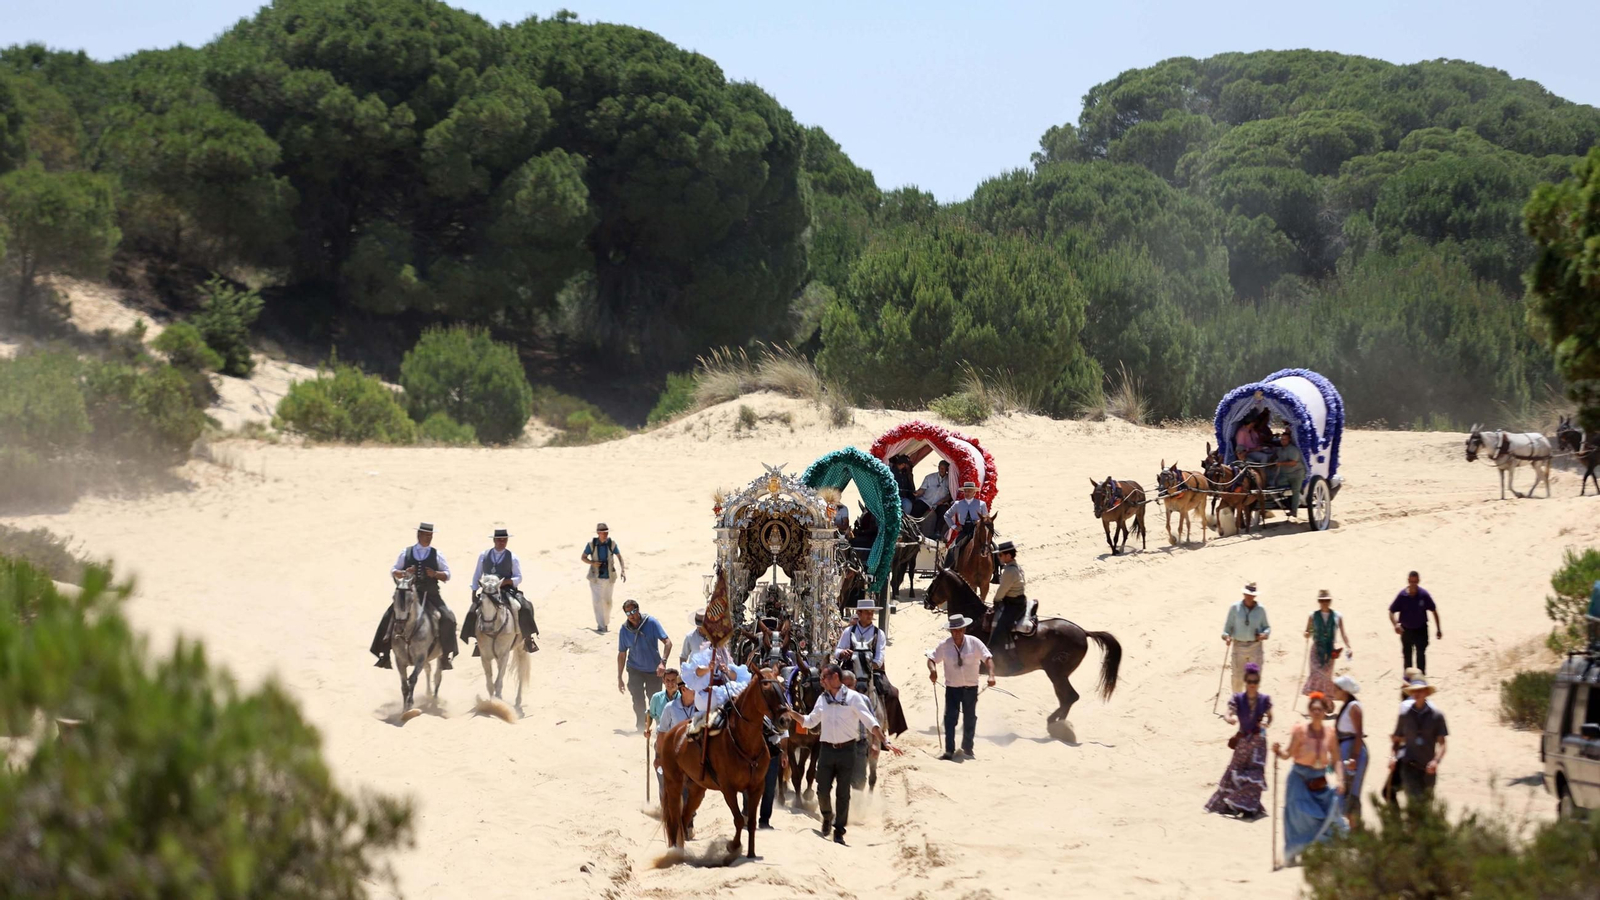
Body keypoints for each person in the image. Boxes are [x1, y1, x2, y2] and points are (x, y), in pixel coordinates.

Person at [798, 664, 901, 844]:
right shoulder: (822, 699)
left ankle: (839, 829)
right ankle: (827, 815)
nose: (821, 681)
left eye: (824, 677)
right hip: (827, 750)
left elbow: (870, 721)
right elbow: (809, 721)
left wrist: (884, 741)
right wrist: (792, 714)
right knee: (822, 789)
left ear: (835, 678)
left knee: (843, 792)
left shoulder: (855, 698)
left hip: (848, 750)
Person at [1272, 692, 1348, 864]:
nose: (1316, 712)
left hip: (1319, 779)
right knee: (1297, 817)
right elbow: (1288, 754)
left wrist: (1341, 780)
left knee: (1324, 814)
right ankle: (1292, 852)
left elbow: (1336, 759)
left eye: (1320, 709)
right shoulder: (1300, 731)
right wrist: (1278, 752)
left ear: (1324, 711)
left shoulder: (1330, 733)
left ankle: (1319, 849)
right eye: (1313, 709)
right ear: (1309, 710)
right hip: (1299, 779)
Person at [372, 522, 458, 670]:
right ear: (418, 535)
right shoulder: (406, 552)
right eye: (426, 535)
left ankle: (445, 655)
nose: (429, 538)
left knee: (448, 617)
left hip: (430, 594)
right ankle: (384, 654)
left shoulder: (437, 554)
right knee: (388, 616)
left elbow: (447, 574)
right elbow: (394, 570)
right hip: (408, 593)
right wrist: (404, 573)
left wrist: (435, 574)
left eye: (430, 535)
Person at [1205, 662, 1273, 818]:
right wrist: (1229, 718)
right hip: (1243, 740)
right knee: (1236, 770)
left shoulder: (1264, 700)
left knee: (1256, 773)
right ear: (1245, 682)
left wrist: (1266, 723)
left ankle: (1248, 806)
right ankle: (1232, 802)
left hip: (1259, 743)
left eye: (1255, 682)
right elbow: (1229, 712)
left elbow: (1270, 716)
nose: (1252, 685)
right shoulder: (1238, 698)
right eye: (1249, 681)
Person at [835, 599, 909, 736]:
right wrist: (842, 653)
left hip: (872, 671)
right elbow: (837, 650)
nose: (870, 615)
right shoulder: (848, 631)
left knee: (892, 693)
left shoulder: (878, 633)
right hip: (850, 669)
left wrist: (871, 664)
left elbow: (880, 656)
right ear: (859, 613)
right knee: (833, 690)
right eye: (867, 612)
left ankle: (887, 727)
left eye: (871, 612)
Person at [927, 613, 995, 761]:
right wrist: (933, 670)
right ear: (950, 631)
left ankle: (968, 748)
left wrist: (991, 675)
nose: (957, 633)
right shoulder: (944, 645)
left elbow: (987, 658)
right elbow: (931, 658)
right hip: (952, 688)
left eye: (960, 629)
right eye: (954, 630)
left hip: (971, 687)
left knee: (970, 718)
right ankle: (949, 750)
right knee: (950, 719)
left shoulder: (974, 642)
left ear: (964, 629)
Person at [461, 528, 539, 655]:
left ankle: (527, 638)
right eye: (499, 540)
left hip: (506, 590)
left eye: (504, 540)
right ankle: (477, 641)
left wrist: (507, 581)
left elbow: (518, 577)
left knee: (522, 606)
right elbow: (477, 574)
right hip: (488, 590)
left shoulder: (512, 557)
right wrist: (474, 590)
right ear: (494, 540)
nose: (502, 542)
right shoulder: (483, 555)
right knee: (473, 611)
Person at [616, 599, 671, 732]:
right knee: (637, 699)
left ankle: (659, 726)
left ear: (638, 610)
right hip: (634, 669)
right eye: (628, 613)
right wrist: (619, 677)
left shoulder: (651, 622)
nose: (631, 615)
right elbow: (622, 654)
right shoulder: (624, 630)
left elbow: (668, 642)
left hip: (654, 670)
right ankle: (641, 726)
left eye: (633, 611)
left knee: (655, 699)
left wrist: (663, 663)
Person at [1390, 679, 1448, 802]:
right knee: (1414, 805)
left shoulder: (1437, 716)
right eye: (1414, 691)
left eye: (1420, 690)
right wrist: (1393, 757)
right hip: (1409, 766)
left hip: (1428, 769)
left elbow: (1442, 744)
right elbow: (1396, 739)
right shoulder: (1404, 715)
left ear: (1426, 693)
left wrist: (1436, 761)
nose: (1417, 693)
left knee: (1426, 807)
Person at [1388, 571, 1442, 674]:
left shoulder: (1424, 595)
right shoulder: (1402, 596)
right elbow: (1391, 611)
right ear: (1408, 581)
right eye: (1411, 581)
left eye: (1415, 582)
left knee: (1420, 656)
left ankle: (1421, 682)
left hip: (1421, 630)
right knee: (1407, 658)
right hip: (1406, 631)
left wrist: (1438, 629)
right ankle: (1408, 683)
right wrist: (1395, 625)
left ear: (1418, 581)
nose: (1413, 584)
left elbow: (1434, 611)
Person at [1221, 583, 1271, 693]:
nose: (1249, 597)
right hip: (1238, 647)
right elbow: (1227, 629)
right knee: (1237, 678)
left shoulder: (1261, 610)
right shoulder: (1235, 608)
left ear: (1255, 596)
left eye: (1252, 595)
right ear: (1244, 594)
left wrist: (1264, 635)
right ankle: (1238, 702)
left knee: (1254, 678)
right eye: (1247, 594)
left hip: (1255, 646)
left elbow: (1267, 627)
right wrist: (1227, 637)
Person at [1333, 675, 1368, 830]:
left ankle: (1356, 828)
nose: (1334, 692)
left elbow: (1358, 733)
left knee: (1351, 791)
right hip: (1345, 749)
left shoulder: (1354, 707)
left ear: (1344, 691)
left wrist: (1354, 757)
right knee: (1345, 789)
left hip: (1353, 751)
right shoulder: (1347, 706)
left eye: (1336, 689)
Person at [756, 667, 789, 830]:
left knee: (769, 787)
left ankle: (764, 820)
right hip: (754, 749)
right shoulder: (754, 704)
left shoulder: (779, 704)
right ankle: (747, 814)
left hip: (772, 748)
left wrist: (784, 752)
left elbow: (784, 731)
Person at [1302, 589, 1352, 696]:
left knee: (1326, 676)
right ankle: (1315, 700)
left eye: (1327, 600)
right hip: (1316, 649)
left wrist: (1348, 647)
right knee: (1315, 674)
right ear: (1319, 602)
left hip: (1330, 650)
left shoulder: (1337, 616)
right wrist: (1306, 634)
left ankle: (1325, 701)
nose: (1324, 603)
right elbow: (1308, 631)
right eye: (1322, 601)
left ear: (1330, 601)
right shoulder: (1312, 616)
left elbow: (1343, 633)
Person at [581, 523, 625, 632]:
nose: (605, 535)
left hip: (609, 577)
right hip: (595, 577)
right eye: (603, 533)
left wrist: (623, 570)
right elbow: (583, 557)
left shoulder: (611, 544)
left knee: (607, 601)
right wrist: (593, 563)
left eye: (606, 532)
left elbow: (619, 556)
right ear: (598, 533)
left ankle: (606, 622)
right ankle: (601, 626)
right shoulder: (591, 544)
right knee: (597, 601)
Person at [990, 541, 1027, 651]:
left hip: (1013, 605)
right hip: (1018, 601)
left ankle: (1004, 656)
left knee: (1000, 628)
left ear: (1008, 556)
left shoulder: (1009, 571)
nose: (999, 557)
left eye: (1000, 555)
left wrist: (996, 600)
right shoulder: (1015, 567)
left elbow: (1002, 590)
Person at [943, 481, 988, 565]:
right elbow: (947, 515)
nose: (967, 493)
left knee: (992, 546)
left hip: (977, 530)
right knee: (952, 548)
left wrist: (979, 521)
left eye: (970, 491)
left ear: (974, 493)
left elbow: (986, 519)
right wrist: (954, 527)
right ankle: (949, 568)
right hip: (964, 530)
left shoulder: (981, 504)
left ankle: (997, 570)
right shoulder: (958, 504)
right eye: (966, 491)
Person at [1271, 432, 1307, 517]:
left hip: (1296, 474)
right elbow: (1275, 456)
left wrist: (1280, 464)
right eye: (1281, 439)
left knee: (1296, 491)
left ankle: (1294, 511)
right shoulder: (1280, 450)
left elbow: (1293, 463)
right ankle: (1286, 504)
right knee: (1276, 487)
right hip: (1284, 474)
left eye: (1284, 439)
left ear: (1289, 440)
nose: (1282, 441)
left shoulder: (1293, 450)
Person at [917, 459, 952, 526]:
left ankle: (937, 532)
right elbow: (922, 489)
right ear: (938, 467)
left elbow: (949, 495)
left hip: (939, 503)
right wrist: (918, 493)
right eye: (940, 468)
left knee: (944, 512)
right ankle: (914, 527)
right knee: (918, 507)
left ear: (947, 469)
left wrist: (943, 501)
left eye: (943, 468)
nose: (941, 470)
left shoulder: (950, 481)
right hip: (926, 501)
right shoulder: (929, 477)